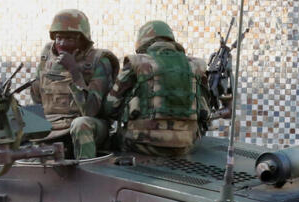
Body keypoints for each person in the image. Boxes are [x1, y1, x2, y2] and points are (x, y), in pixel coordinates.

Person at [104, 20, 209, 156]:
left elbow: (110, 107)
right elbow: (205, 111)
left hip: (139, 145)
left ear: (142, 43)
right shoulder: (197, 66)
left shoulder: (137, 62)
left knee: (105, 141)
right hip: (185, 146)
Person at [29, 9, 118, 160]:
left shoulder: (99, 60)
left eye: (69, 39)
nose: (62, 44)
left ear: (82, 40)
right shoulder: (47, 56)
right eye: (58, 38)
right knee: (23, 120)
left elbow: (90, 111)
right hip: (55, 123)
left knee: (80, 124)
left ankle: (86, 173)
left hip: (90, 125)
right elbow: (38, 100)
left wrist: (74, 72)